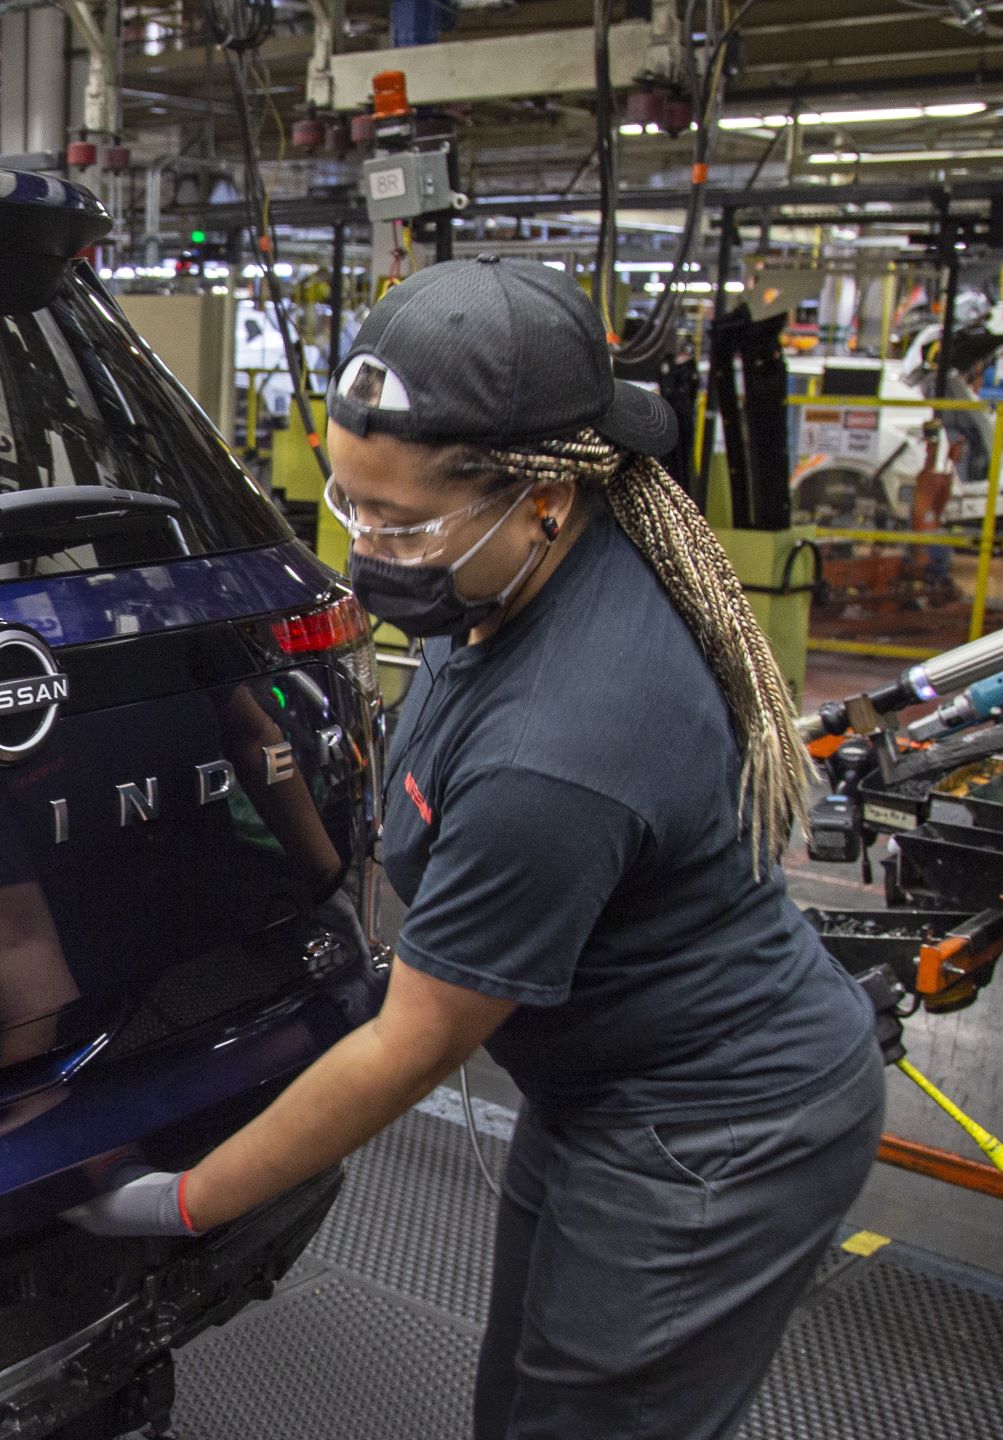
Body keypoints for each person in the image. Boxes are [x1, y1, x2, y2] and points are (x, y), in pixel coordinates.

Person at [66, 256, 880, 1440]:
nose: (366, 545)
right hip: (601, 1089)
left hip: (713, 1131)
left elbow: (411, 1048)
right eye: (348, 502)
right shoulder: (505, 577)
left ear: (539, 495)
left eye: (397, 519)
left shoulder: (558, 750)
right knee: (528, 1402)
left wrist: (181, 1200)